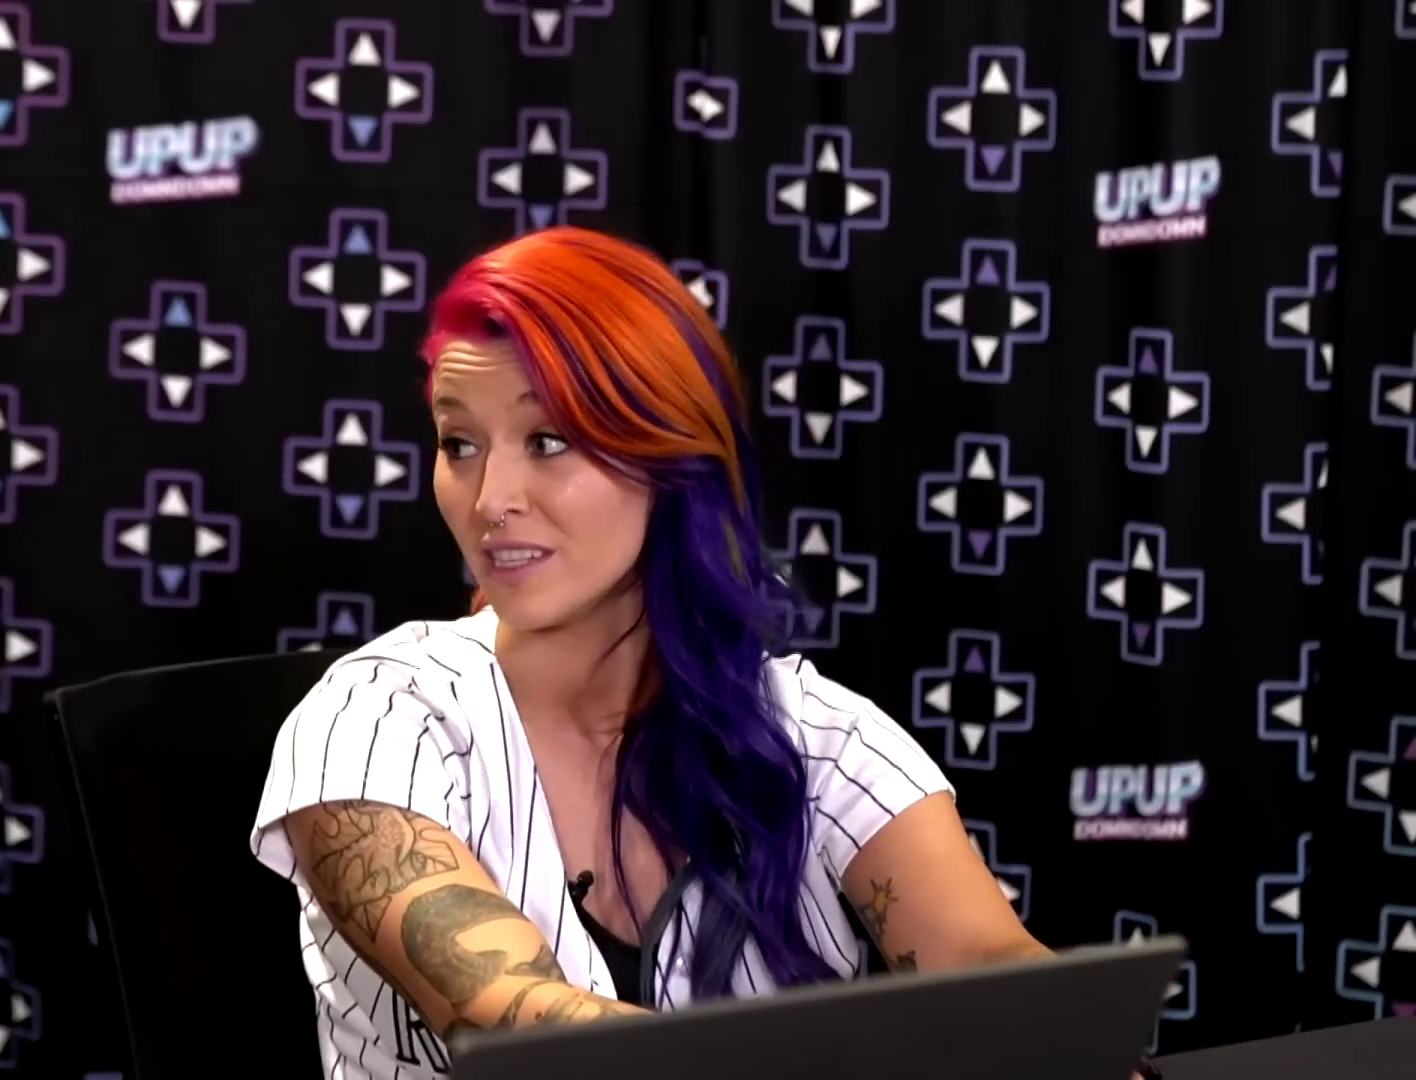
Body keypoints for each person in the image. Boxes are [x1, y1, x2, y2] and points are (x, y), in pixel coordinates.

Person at [249, 226, 1066, 1080]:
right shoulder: (377, 717)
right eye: (459, 444)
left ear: (670, 453)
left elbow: (992, 968)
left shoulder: (810, 730)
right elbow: (517, 1018)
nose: (490, 500)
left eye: (548, 440)